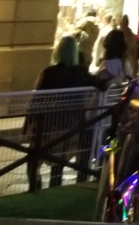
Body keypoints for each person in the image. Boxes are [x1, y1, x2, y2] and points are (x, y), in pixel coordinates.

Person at [24, 35, 98, 192]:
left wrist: (29, 122)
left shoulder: (49, 73)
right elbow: (101, 84)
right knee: (59, 163)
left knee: (33, 158)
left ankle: (35, 186)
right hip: (73, 127)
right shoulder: (81, 73)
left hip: (49, 126)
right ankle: (57, 188)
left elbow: (36, 99)